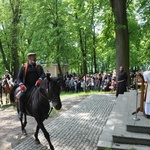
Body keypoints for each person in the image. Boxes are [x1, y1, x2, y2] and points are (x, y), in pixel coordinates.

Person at [17, 52, 45, 119]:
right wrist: (21, 85)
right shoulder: (24, 67)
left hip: (37, 86)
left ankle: (45, 110)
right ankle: (21, 111)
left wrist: (40, 79)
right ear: (29, 58)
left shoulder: (38, 66)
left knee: (45, 94)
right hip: (27, 86)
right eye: (33, 57)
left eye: (35, 57)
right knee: (22, 96)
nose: (35, 58)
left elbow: (43, 74)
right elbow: (19, 77)